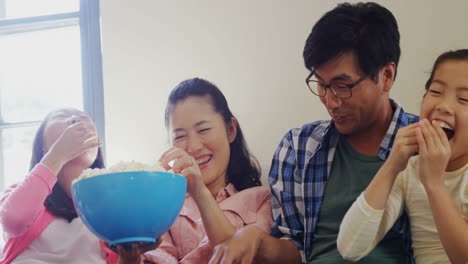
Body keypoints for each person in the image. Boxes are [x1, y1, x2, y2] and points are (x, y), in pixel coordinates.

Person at [208, 2, 418, 264]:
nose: (330, 101)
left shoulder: (429, 146)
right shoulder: (298, 148)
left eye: (342, 86)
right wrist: (257, 240)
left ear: (386, 76)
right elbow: (296, 251)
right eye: (320, 84)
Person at [337, 49, 468, 264]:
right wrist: (392, 165)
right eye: (435, 92)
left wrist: (434, 184)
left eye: (464, 99)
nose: (444, 106)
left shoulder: (434, 177)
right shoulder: (410, 170)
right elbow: (350, 247)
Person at [139, 78, 272, 263]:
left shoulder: (262, 199)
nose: (192, 147)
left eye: (203, 130)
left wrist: (199, 190)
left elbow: (244, 256)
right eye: (180, 136)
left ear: (231, 129)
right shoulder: (166, 208)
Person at [0, 108, 119, 263]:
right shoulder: (19, 192)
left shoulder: (113, 205)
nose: (76, 119)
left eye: (84, 117)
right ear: (42, 146)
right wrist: (58, 154)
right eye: (62, 116)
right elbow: (14, 220)